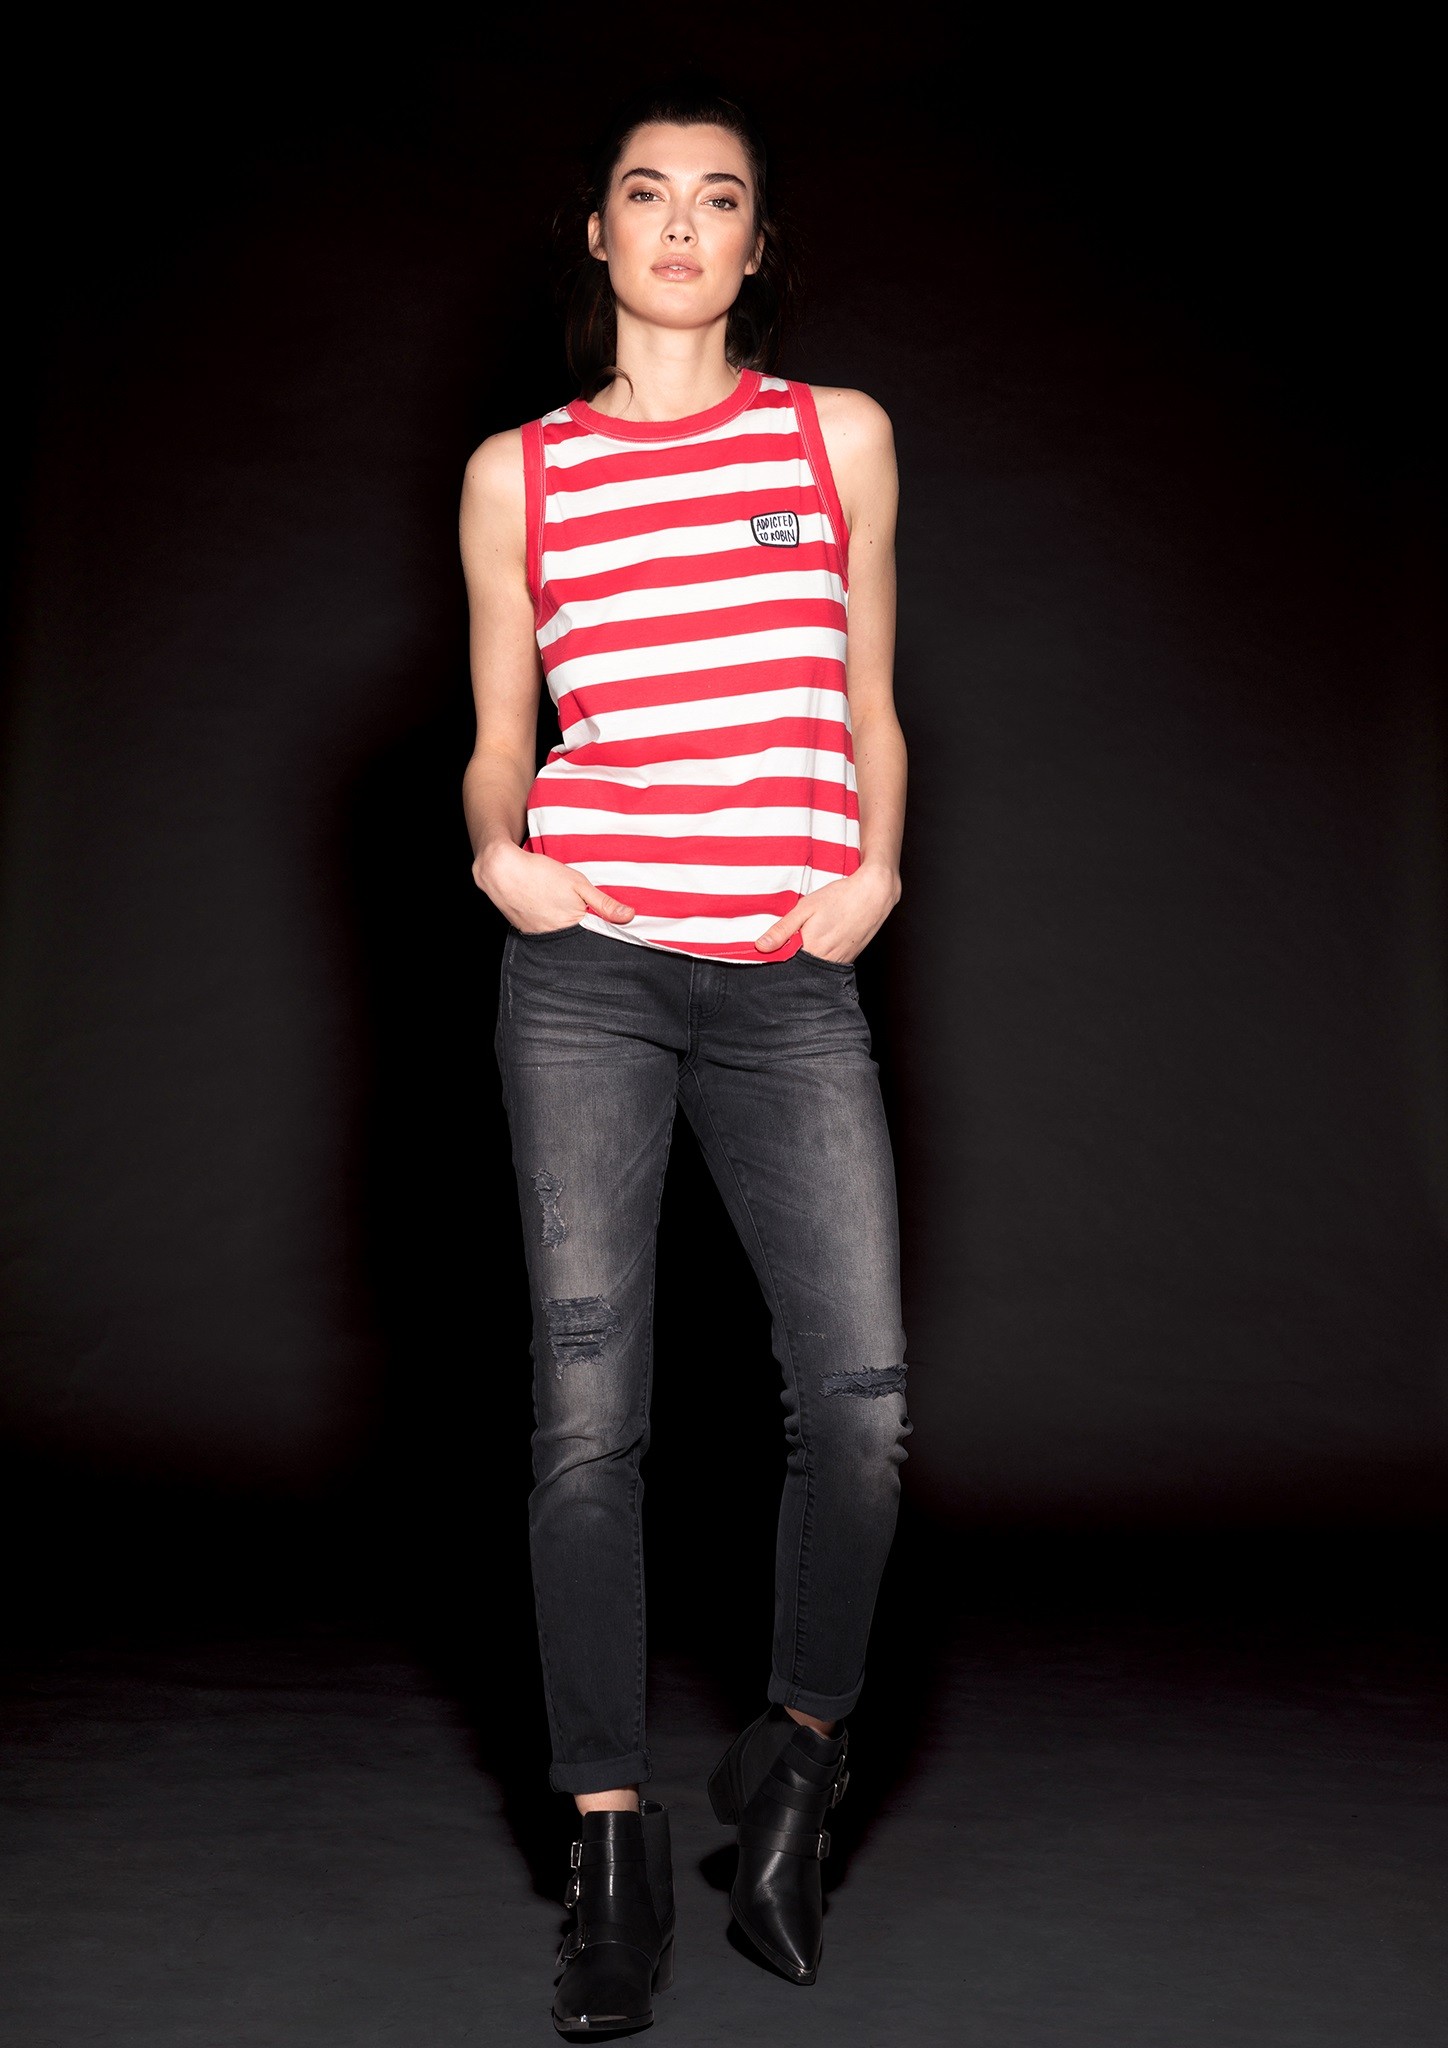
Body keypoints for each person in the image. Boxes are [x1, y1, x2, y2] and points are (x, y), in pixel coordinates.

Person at [459, 81, 910, 2037]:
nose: (677, 224)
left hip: (788, 977)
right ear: (598, 233)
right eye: (644, 193)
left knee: (861, 1410)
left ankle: (796, 1762)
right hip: (589, 977)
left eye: (716, 199)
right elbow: (502, 732)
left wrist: (876, 867)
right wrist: (501, 849)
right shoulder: (519, 474)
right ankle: (609, 1846)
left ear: (754, 244)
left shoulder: (835, 436)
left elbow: (869, 698)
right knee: (589, 1419)